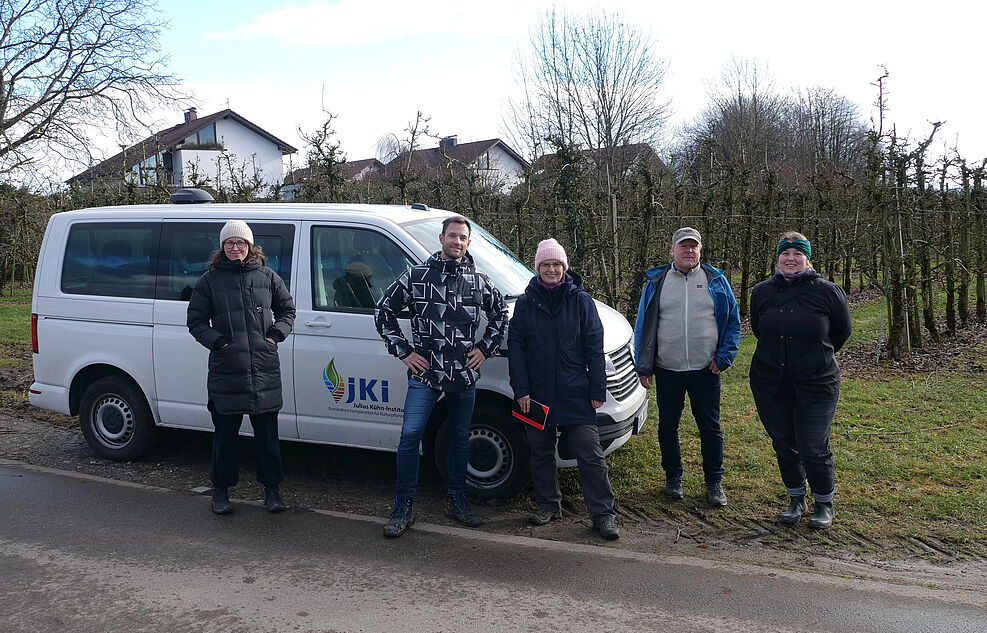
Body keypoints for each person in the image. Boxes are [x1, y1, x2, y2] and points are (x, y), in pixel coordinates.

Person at [374, 215, 508, 538]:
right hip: (426, 373)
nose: (457, 242)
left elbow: (501, 313)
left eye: (463, 238)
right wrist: (405, 352)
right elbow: (383, 311)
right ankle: (403, 506)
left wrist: (484, 349)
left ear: (468, 242)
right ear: (441, 238)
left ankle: (457, 501)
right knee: (409, 437)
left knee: (460, 438)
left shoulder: (479, 281)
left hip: (463, 374)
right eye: (452, 236)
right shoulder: (418, 276)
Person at [508, 239, 619, 540]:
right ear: (538, 268)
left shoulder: (581, 301)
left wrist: (598, 389)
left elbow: (594, 348)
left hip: (576, 393)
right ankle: (548, 505)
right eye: (546, 264)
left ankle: (603, 515)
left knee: (590, 454)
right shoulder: (526, 302)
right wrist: (521, 390)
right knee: (540, 452)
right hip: (535, 394)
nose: (551, 269)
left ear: (565, 267)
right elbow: (516, 349)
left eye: (556, 264)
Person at [187, 220, 296, 515]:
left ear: (250, 246)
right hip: (227, 370)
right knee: (225, 438)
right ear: (222, 247)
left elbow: (287, 310)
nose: (236, 248)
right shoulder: (208, 281)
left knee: (268, 440)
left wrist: (275, 336)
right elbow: (195, 321)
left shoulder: (267, 276)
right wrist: (219, 342)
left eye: (241, 243)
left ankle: (272, 491)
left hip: (263, 369)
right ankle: (220, 492)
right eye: (230, 243)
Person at [749, 232, 851, 529]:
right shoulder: (762, 292)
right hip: (771, 382)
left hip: (817, 383)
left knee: (812, 445)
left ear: (808, 258)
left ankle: (823, 502)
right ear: (778, 257)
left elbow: (841, 333)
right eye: (785, 253)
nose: (790, 258)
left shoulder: (829, 292)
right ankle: (796, 497)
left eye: (797, 253)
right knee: (783, 442)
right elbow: (759, 329)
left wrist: (813, 357)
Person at [633, 227, 741, 507]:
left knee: (710, 427)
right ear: (672, 250)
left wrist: (724, 357)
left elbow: (732, 322)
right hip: (668, 370)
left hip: (707, 370)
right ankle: (673, 477)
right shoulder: (656, 282)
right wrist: (643, 366)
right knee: (668, 425)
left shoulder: (715, 280)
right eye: (683, 246)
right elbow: (643, 327)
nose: (688, 251)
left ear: (700, 251)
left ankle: (714, 482)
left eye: (694, 246)